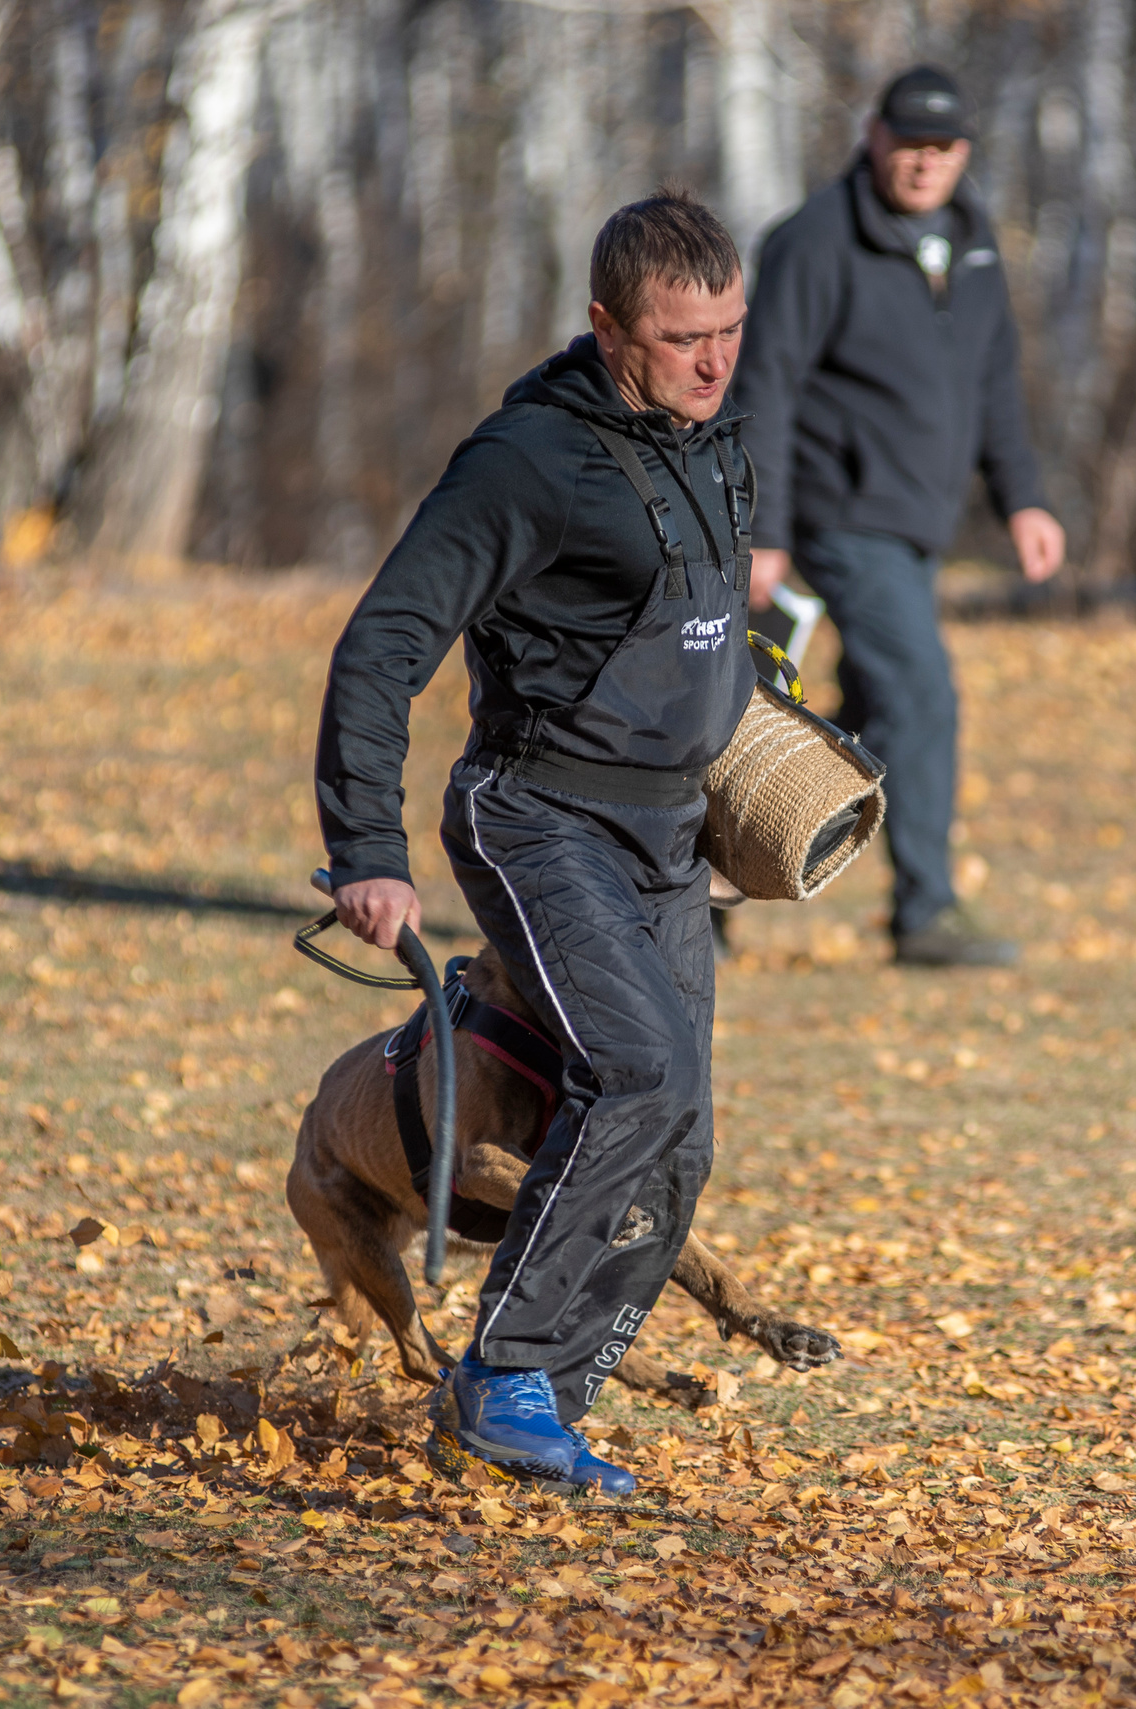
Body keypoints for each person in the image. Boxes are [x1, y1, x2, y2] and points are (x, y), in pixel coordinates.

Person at [315, 189, 757, 1497]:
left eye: (731, 329)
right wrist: (364, 845)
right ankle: (502, 1376)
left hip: (670, 831)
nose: (717, 360)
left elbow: (709, 611)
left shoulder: (714, 427)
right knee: (639, 1072)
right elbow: (384, 640)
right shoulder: (526, 461)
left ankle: (543, 1406)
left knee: (679, 1136)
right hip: (539, 818)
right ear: (608, 327)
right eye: (684, 338)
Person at [733, 65, 1064, 968]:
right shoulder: (815, 241)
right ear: (873, 136)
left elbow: (994, 384)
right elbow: (765, 382)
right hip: (841, 511)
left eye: (942, 147)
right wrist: (764, 527)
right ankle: (926, 911)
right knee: (922, 692)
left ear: (962, 153)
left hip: (919, 521)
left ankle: (711, 884)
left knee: (847, 714)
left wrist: (1023, 496)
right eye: (908, 143)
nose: (924, 163)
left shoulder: (974, 243)